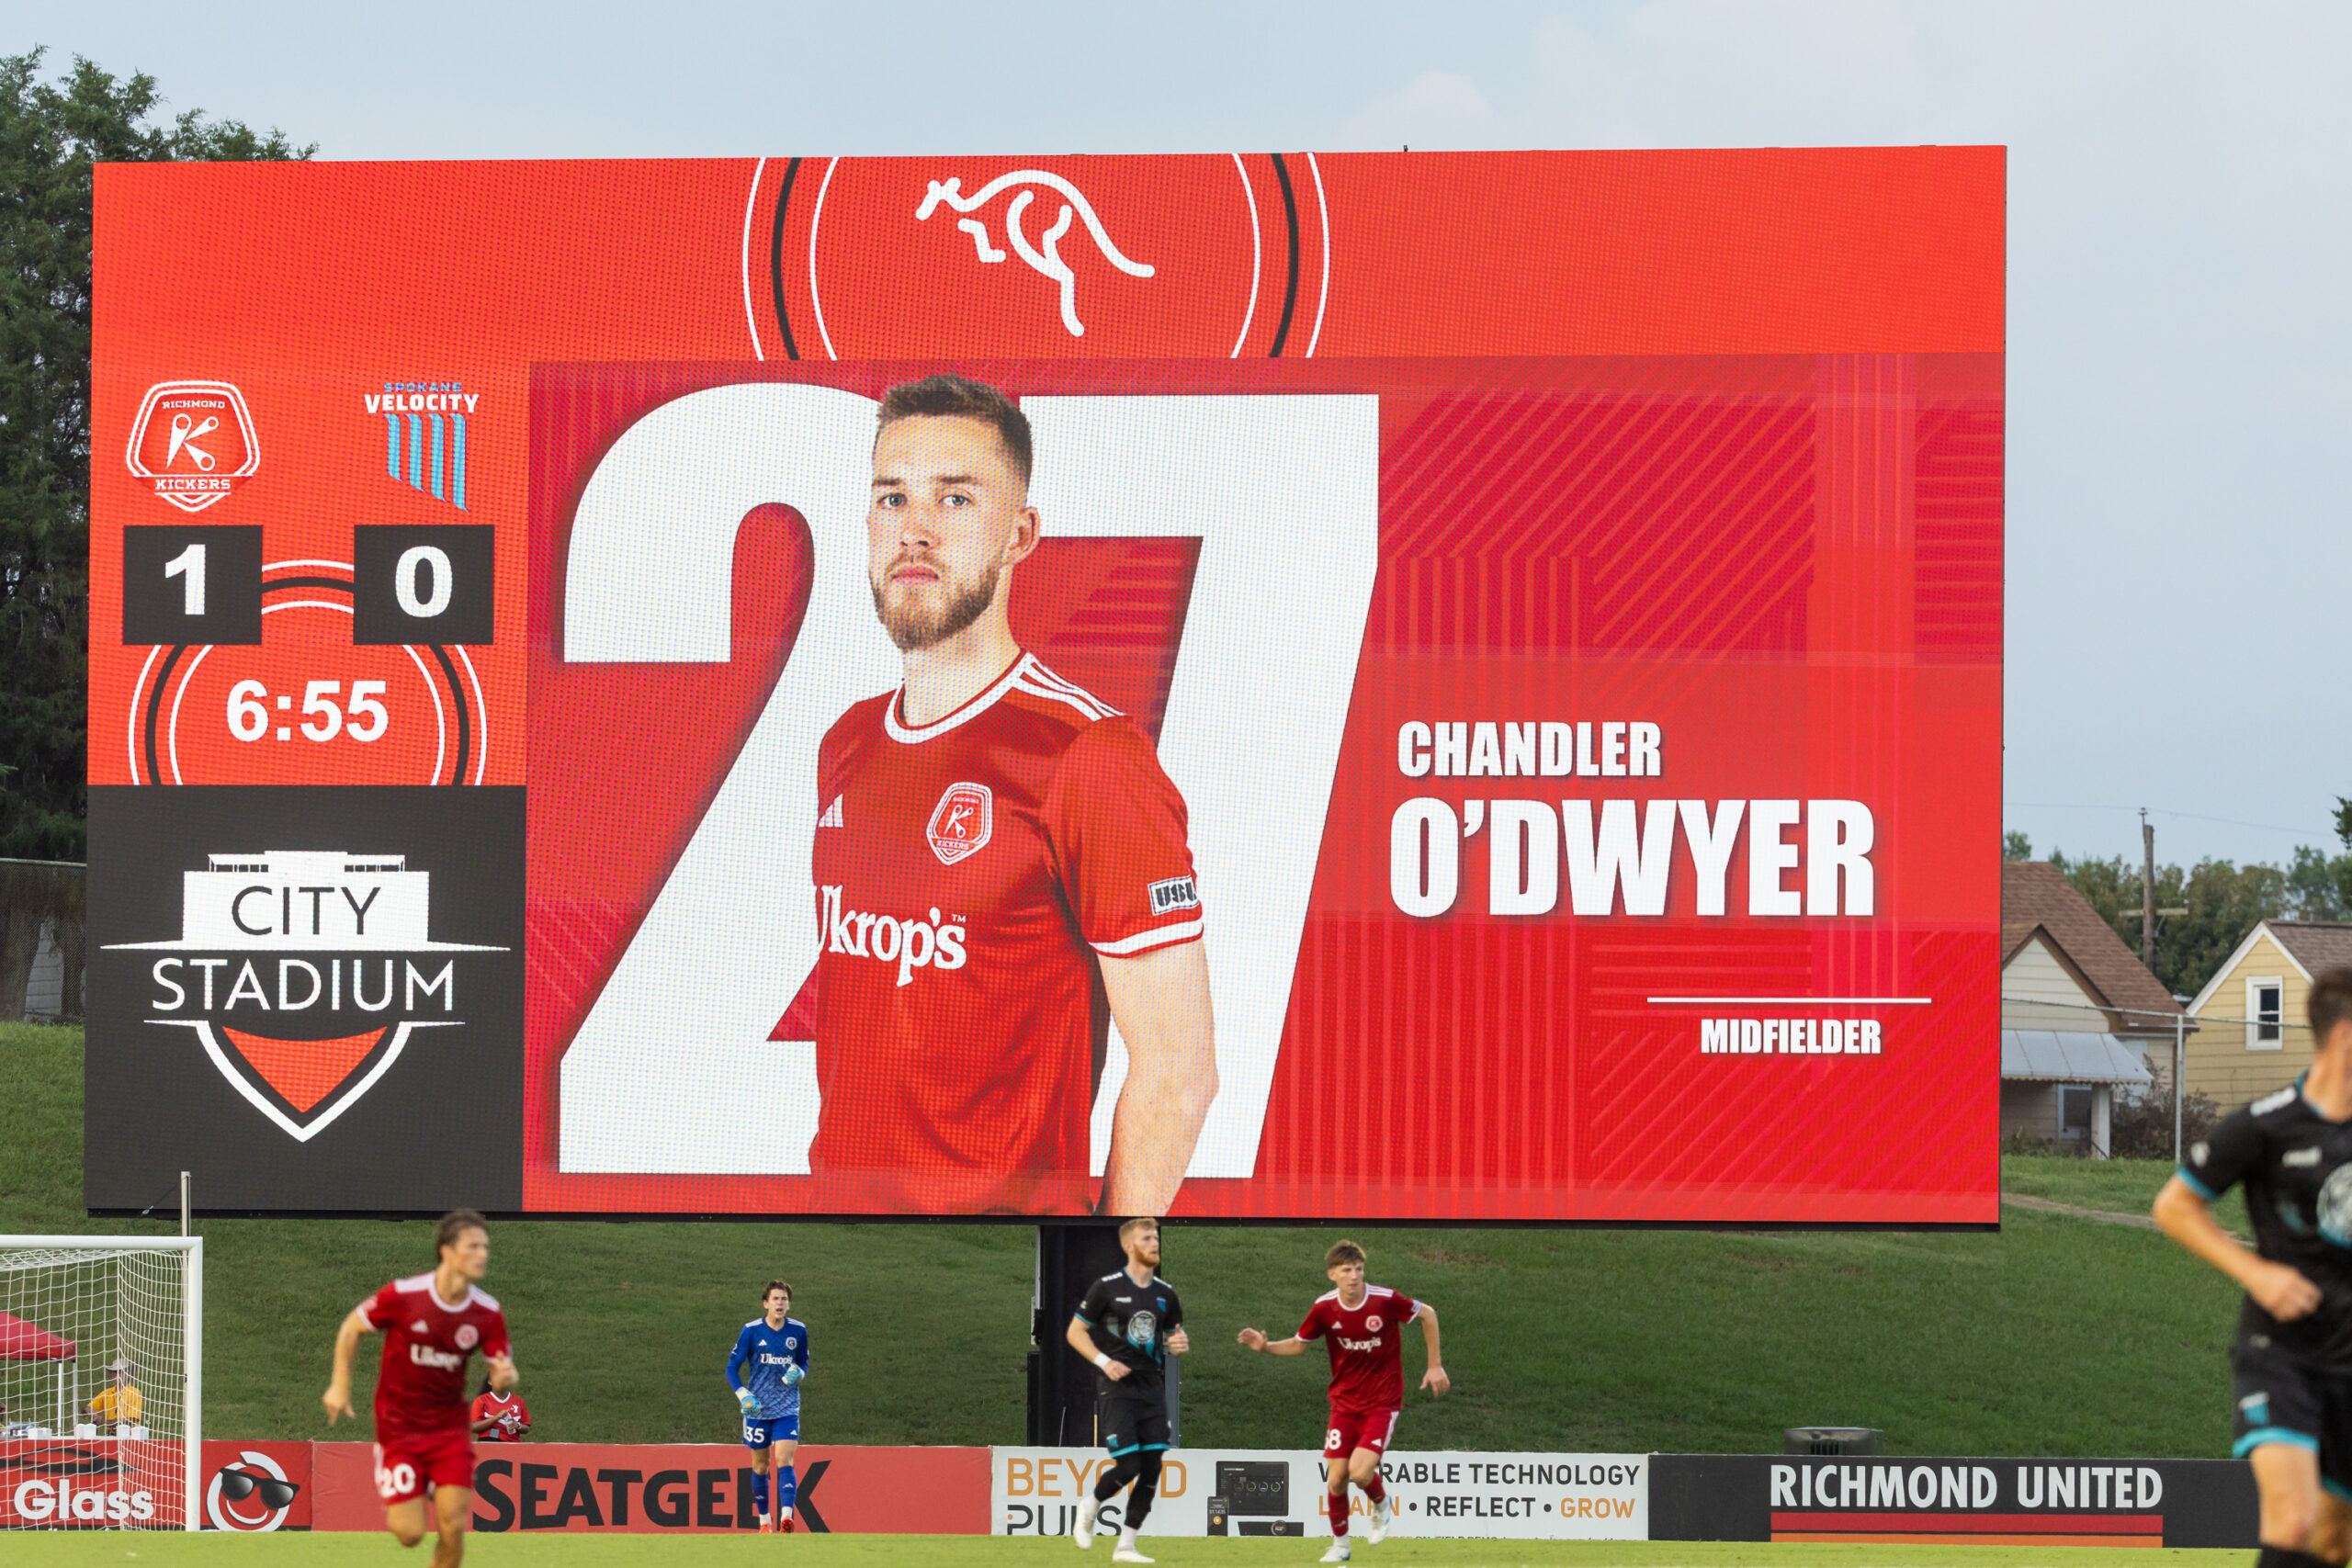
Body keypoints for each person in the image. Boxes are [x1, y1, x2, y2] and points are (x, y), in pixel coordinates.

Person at [808, 373, 1217, 1217]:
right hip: (839, 1245)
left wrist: (1097, 1272)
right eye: (892, 498)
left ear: (1020, 534)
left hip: (996, 1267)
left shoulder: (1089, 757)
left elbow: (1179, 1071)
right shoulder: (846, 744)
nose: (914, 530)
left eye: (955, 499)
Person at [2155, 967, 2352, 1568]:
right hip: (2280, 1350)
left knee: (2332, 1541)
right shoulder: (2265, 1125)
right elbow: (2176, 1205)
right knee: (2292, 1521)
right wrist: (2257, 1273)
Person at [322, 1210, 516, 1568]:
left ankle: (437, 1481)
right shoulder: (404, 1295)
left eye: (485, 1246)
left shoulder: (487, 1312)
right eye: (473, 1246)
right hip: (399, 1428)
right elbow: (352, 1327)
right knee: (409, 1534)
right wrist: (339, 1385)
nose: (483, 1254)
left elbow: (501, 1369)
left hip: (448, 1430)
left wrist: (504, 1377)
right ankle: (424, 1482)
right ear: (447, 1250)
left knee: (453, 1525)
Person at [1237, 1240, 1449, 1563]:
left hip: (1382, 1400)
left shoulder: (1385, 1300)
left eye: (1359, 1269)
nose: (1354, 1276)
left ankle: (1380, 1505)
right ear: (1332, 1274)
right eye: (1347, 1270)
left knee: (1360, 1472)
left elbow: (1428, 1315)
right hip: (1345, 1404)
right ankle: (1340, 1546)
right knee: (1336, 1478)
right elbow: (1298, 1344)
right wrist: (1265, 1348)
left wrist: (1434, 1365)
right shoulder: (1324, 1308)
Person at [1066, 1217, 1186, 1563]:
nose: (1154, 1242)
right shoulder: (1105, 1287)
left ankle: (1126, 1546)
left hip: (1151, 1387)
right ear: (1128, 1246)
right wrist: (1104, 1362)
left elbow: (1174, 1339)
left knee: (1152, 1467)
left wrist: (1179, 1343)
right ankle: (1090, 1505)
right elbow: (1075, 1332)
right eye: (1146, 1237)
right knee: (1128, 1464)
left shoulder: (1166, 1294)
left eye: (1156, 1237)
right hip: (1116, 1386)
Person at [726, 1280, 809, 1532]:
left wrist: (800, 1374)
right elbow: (732, 1368)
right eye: (775, 1299)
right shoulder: (751, 1331)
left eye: (784, 1299)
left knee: (784, 1459)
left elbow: (803, 1363)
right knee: (760, 1466)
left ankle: (786, 1517)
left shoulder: (798, 1331)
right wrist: (744, 1396)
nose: (780, 1303)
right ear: (766, 1303)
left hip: (787, 1408)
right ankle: (764, 1520)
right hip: (758, 1409)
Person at [84, 1358, 143, 1434]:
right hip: (110, 1435)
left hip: (129, 1437)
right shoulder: (107, 1393)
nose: (115, 1374)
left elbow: (131, 1420)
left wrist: (104, 1422)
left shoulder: (135, 1393)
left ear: (128, 1373)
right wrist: (90, 1410)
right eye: (113, 1372)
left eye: (119, 1371)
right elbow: (87, 1408)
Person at [468, 1377, 530, 1442]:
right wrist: (496, 1418)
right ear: (490, 1382)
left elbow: (526, 1428)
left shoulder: (518, 1400)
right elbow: (473, 1427)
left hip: (512, 1443)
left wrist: (518, 1425)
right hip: (489, 1441)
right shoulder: (481, 1400)